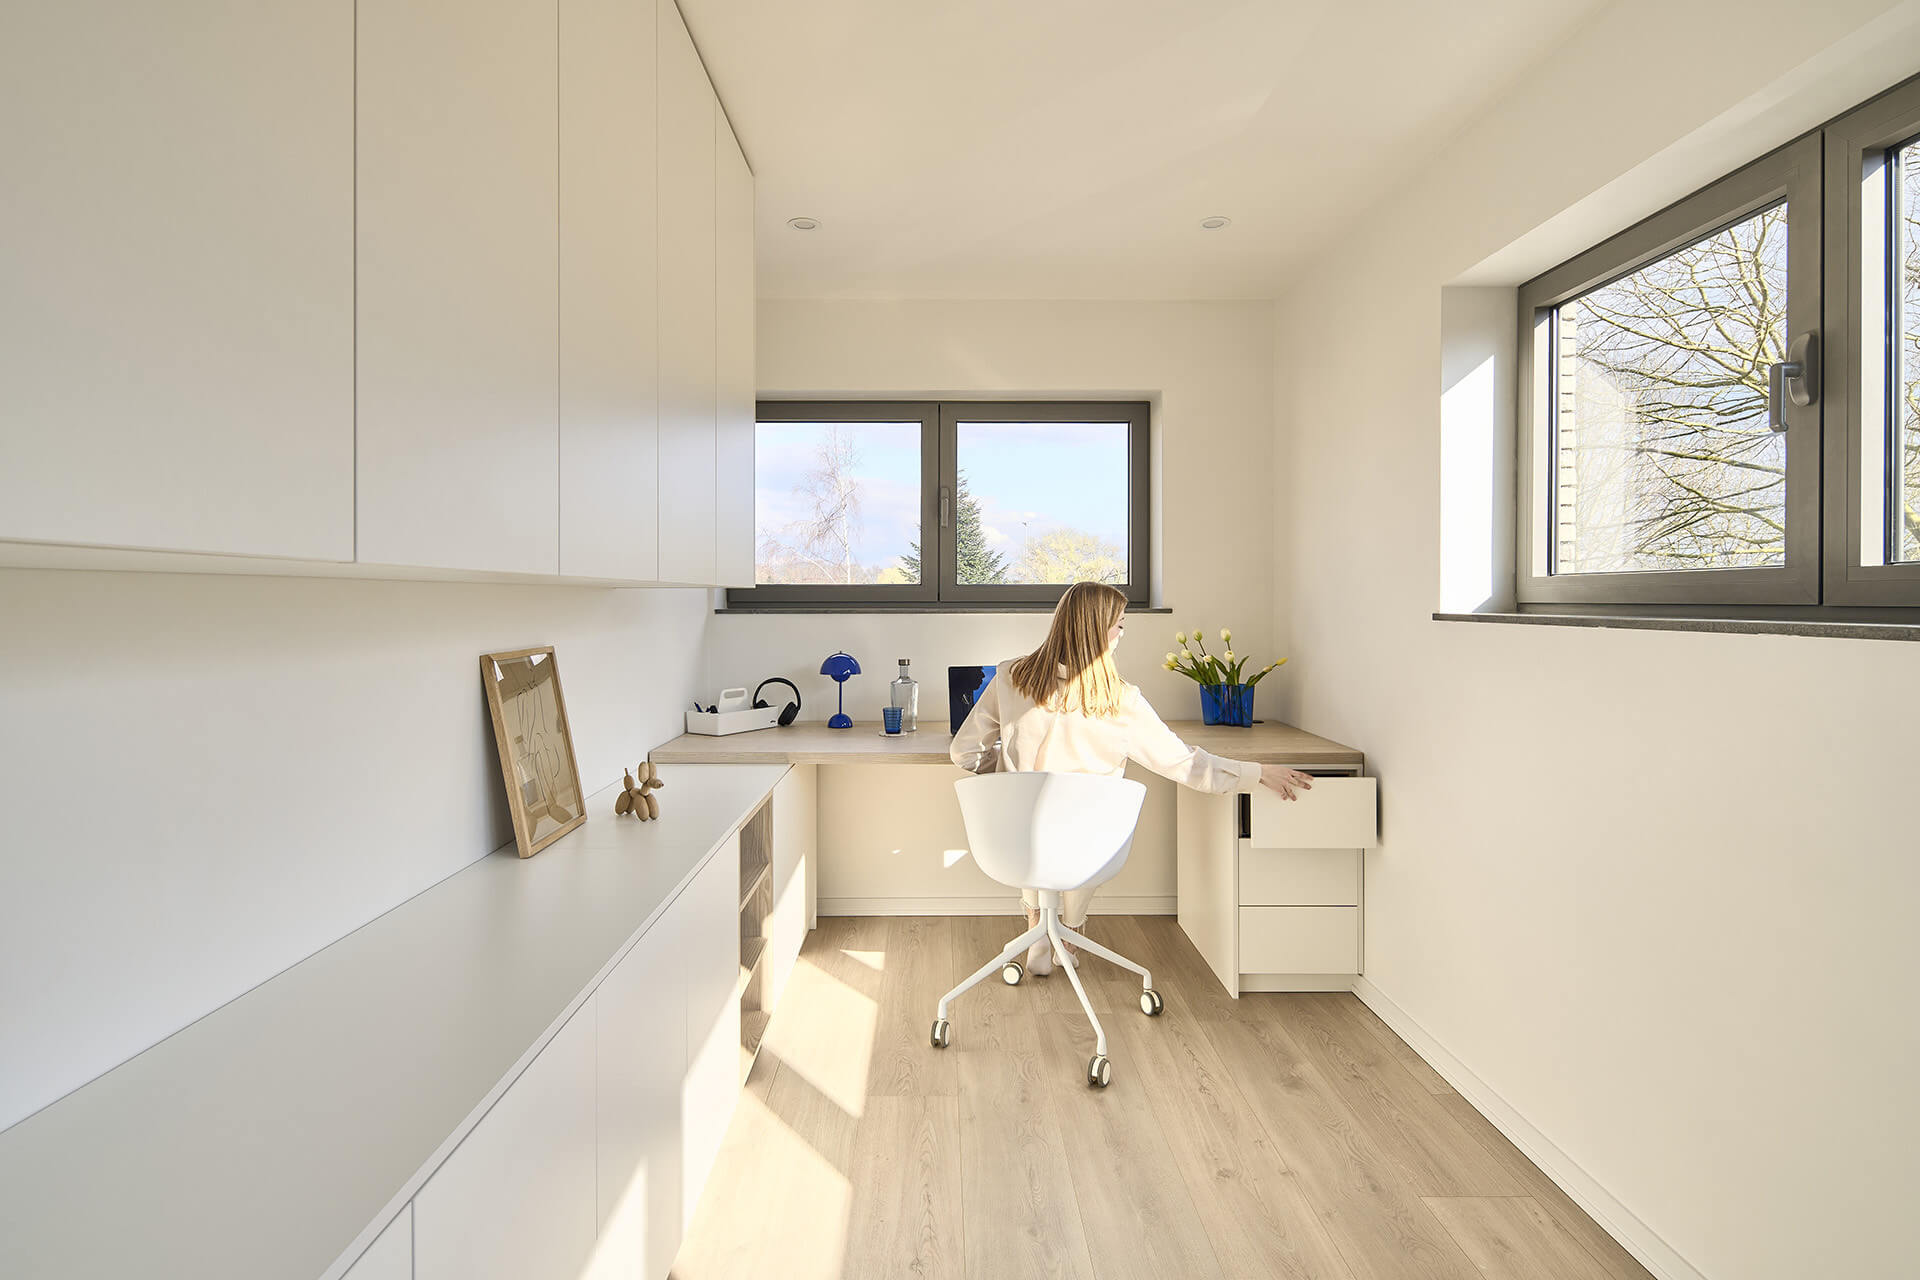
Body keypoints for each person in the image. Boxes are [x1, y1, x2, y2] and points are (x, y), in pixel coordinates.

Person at [949, 580, 1312, 976]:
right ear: (1097, 629)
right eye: (1119, 625)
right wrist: (1256, 774)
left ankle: (1037, 923)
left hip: (1011, 844)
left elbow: (963, 752)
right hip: (1086, 849)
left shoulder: (1009, 676)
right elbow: (1186, 765)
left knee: (1030, 816)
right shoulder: (1122, 701)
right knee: (1082, 824)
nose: (1121, 633)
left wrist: (1005, 775)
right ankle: (1067, 932)